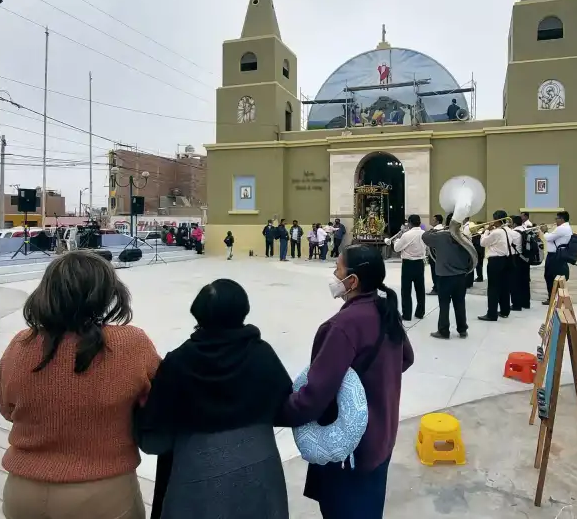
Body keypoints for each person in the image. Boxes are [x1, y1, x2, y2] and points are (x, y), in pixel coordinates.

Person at [0, 251, 160, 519]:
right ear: (107, 292)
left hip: (22, 493)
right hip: (102, 494)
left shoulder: (20, 344)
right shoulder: (131, 343)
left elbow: (7, 409)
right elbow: (158, 403)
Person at [135, 279, 293, 519]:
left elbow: (155, 441)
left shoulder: (178, 362)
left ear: (198, 314)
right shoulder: (262, 354)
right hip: (260, 476)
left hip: (197, 480)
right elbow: (285, 408)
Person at [280, 245, 414, 518]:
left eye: (338, 269)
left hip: (351, 450)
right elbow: (405, 359)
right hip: (381, 436)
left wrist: (274, 412)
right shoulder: (385, 309)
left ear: (352, 281)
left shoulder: (343, 326)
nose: (333, 274)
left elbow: (314, 397)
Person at [422, 214, 471, 339]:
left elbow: (425, 236)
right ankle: (462, 329)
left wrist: (436, 229)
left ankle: (444, 331)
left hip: (444, 276)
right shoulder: (464, 237)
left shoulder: (441, 236)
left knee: (444, 304)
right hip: (460, 276)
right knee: (460, 303)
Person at [477, 210, 520, 322]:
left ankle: (492, 314)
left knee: (493, 288)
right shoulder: (509, 230)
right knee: (505, 287)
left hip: (496, 261)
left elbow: (483, 243)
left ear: (496, 219)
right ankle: (505, 311)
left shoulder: (496, 232)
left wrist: (486, 231)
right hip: (508, 260)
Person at [389, 214, 426, 322]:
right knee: (420, 289)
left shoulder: (406, 235)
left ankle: (407, 314)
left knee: (406, 290)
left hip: (408, 264)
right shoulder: (424, 233)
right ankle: (420, 312)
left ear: (409, 223)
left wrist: (396, 239)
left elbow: (396, 248)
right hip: (420, 263)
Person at [542, 211, 573, 304]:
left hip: (554, 256)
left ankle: (552, 298)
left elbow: (548, 238)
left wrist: (545, 231)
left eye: (557, 218)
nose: (555, 220)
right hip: (558, 254)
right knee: (555, 276)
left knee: (550, 277)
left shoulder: (561, 228)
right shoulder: (565, 227)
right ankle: (556, 297)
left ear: (562, 219)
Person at [511, 216, 532, 310]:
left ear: (514, 224)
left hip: (516, 258)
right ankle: (526, 303)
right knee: (525, 281)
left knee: (515, 282)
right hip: (525, 258)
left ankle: (516, 304)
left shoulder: (513, 233)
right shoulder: (524, 229)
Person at [426, 214, 444, 295]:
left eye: (433, 220)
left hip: (434, 255)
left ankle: (436, 288)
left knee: (434, 272)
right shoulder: (444, 229)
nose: (431, 221)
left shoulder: (434, 231)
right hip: (442, 255)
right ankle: (440, 287)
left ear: (437, 221)